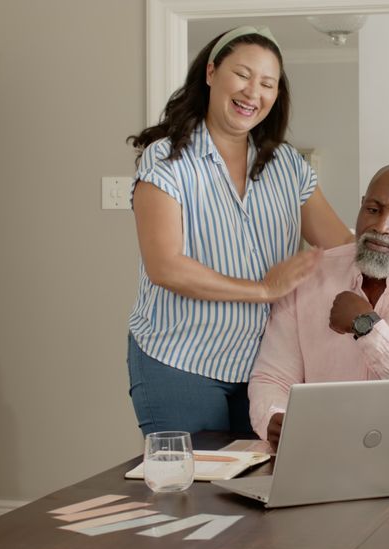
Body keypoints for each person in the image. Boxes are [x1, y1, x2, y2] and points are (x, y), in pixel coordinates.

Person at [125, 26, 353, 436]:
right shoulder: (166, 160)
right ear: (211, 72)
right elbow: (165, 267)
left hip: (267, 368)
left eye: (268, 83)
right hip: (180, 361)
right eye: (243, 75)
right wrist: (263, 289)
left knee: (263, 490)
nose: (253, 93)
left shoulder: (288, 165)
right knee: (193, 492)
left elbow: (341, 248)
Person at [248, 162, 389, 448]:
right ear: (361, 207)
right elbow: (272, 377)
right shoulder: (309, 276)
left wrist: (368, 329)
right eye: (373, 210)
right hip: (321, 450)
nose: (381, 226)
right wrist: (274, 416)